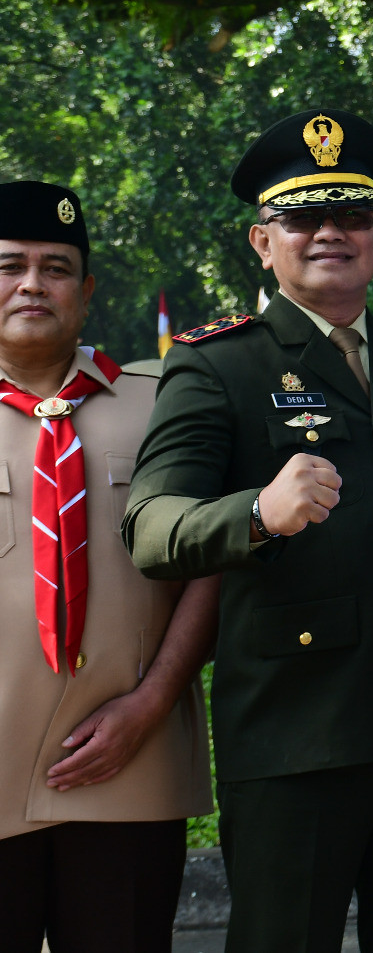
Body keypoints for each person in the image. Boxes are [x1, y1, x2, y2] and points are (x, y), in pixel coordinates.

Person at [121, 110, 373, 953]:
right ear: (263, 242)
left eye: (352, 216)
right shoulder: (219, 364)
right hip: (295, 737)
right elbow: (151, 528)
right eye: (303, 218)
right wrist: (257, 513)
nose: (330, 232)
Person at [0, 180, 215, 953]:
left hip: (127, 756)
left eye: (55, 267)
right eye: (9, 264)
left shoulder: (163, 404)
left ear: (86, 291)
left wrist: (153, 702)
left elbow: (210, 567)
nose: (31, 283)